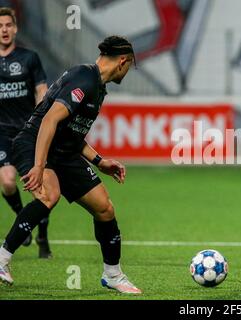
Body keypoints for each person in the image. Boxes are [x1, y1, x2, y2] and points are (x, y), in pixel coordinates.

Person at [0, 35, 141, 294]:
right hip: (35, 142)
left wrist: (100, 161)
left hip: (63, 152)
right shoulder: (84, 77)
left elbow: (72, 134)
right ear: (122, 61)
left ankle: (113, 275)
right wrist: (40, 166)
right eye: (129, 64)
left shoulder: (97, 86)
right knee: (48, 195)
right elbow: (49, 121)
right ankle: (2, 259)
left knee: (104, 208)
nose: (128, 70)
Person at [0, 7, 51, 255]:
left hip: (27, 133)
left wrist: (41, 114)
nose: (4, 30)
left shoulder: (29, 57)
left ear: (15, 28)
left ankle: (43, 238)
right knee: (8, 182)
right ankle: (23, 219)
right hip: (2, 133)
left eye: (8, 25)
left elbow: (42, 88)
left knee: (40, 189)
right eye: (0, 26)